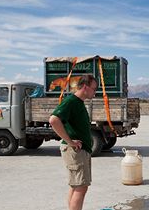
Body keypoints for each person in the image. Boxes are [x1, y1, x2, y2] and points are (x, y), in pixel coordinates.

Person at [49, 75, 97, 210]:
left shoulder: (78, 102)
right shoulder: (71, 101)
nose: (95, 92)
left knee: (76, 186)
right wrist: (70, 142)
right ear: (85, 87)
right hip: (76, 151)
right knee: (81, 188)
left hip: (80, 151)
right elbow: (54, 120)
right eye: (94, 89)